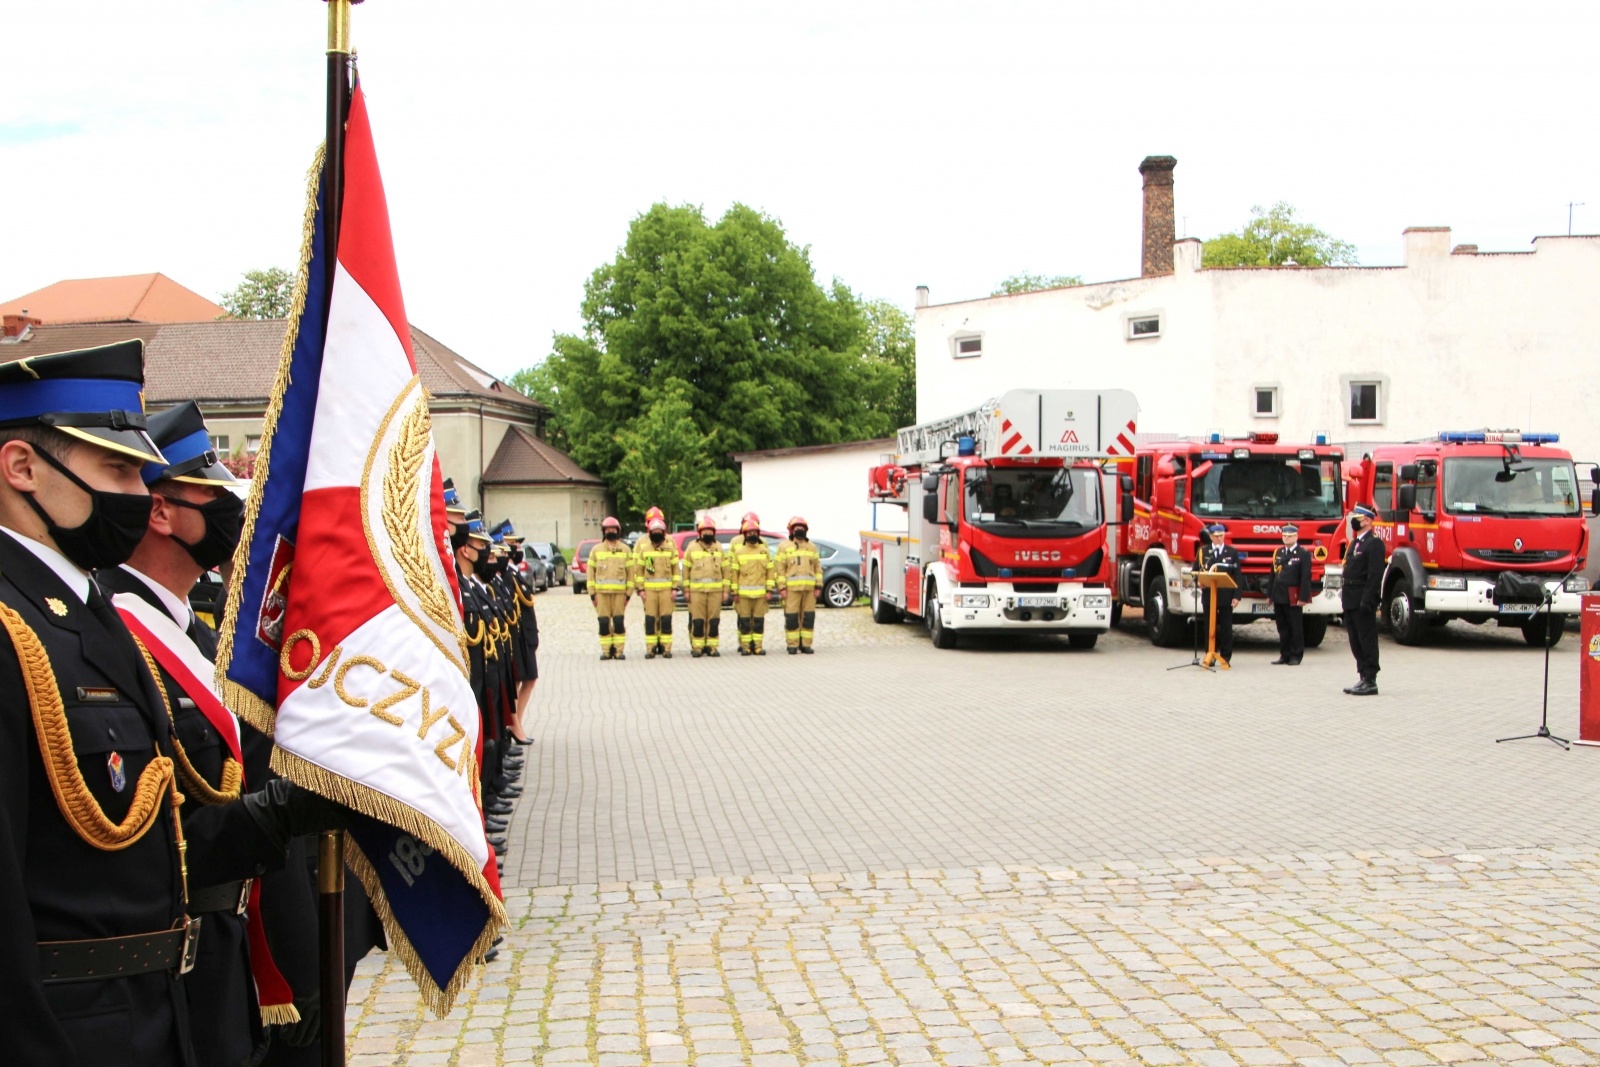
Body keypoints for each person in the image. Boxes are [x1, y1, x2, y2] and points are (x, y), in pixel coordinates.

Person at [0, 342, 346, 1064]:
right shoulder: (14, 627)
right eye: (116, 468)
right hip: (76, 1030)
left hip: (167, 1012)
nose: (136, 491)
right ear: (21, 467)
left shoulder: (85, 611)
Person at [1341, 503, 1386, 695]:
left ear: (1367, 520)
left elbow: (1374, 575)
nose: (1354, 520)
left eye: (1357, 517)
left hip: (1362, 598)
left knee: (1366, 638)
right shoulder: (1355, 542)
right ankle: (1362, 675)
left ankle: (1370, 679)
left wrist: (1367, 600)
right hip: (1350, 597)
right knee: (1355, 639)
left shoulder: (1374, 543)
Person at [633, 508, 680, 658]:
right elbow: (637, 566)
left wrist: (674, 588)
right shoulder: (642, 543)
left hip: (666, 589)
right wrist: (639, 589)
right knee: (651, 618)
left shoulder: (670, 542)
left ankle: (664, 646)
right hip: (649, 589)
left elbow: (675, 567)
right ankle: (652, 647)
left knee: (665, 618)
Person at [683, 516, 730, 657]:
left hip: (716, 591)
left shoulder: (719, 548)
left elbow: (726, 571)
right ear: (700, 532)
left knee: (713, 620)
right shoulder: (692, 548)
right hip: (697, 592)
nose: (707, 534)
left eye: (710, 531)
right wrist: (686, 590)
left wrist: (726, 591)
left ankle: (712, 647)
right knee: (698, 620)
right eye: (705, 531)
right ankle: (697, 647)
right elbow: (685, 571)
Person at [775, 515, 822, 654]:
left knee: (808, 617)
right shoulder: (784, 547)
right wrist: (782, 588)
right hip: (791, 590)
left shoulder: (811, 547)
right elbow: (780, 569)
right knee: (791, 617)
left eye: (802, 528)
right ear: (791, 530)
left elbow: (817, 568)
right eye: (797, 528)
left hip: (809, 590)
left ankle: (806, 644)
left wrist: (818, 586)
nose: (800, 530)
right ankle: (792, 645)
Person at [729, 512, 775, 655]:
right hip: (743, 594)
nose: (751, 534)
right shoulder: (738, 549)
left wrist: (769, 590)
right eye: (749, 532)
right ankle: (745, 646)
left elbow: (769, 571)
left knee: (758, 621)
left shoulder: (764, 550)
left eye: (754, 532)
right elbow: (734, 572)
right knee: (744, 621)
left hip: (760, 594)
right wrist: (734, 592)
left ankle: (758, 646)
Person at [1268, 523, 1313, 666]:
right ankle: (1284, 654)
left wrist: (1303, 597)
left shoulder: (1303, 554)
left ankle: (1296, 655)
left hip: (1293, 596)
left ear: (1296, 536)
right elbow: (1272, 575)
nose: (1286, 538)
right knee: (1282, 627)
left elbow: (1305, 577)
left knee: (1295, 627)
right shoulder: (1279, 552)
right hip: (1279, 595)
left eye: (1289, 536)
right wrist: (1270, 594)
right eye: (1284, 536)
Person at [1196, 523, 1242, 665]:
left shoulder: (1231, 552)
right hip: (1209, 594)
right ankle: (1210, 654)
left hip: (1225, 595)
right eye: (1216, 536)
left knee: (1226, 627)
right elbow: (1196, 571)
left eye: (1221, 535)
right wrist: (1199, 581)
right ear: (1210, 537)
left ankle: (1226, 657)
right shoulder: (1203, 552)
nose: (1219, 538)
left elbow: (1238, 576)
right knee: (1209, 626)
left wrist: (1236, 596)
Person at [589, 516, 633, 660]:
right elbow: (590, 574)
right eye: (608, 529)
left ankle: (619, 651)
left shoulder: (625, 550)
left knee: (619, 622)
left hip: (620, 595)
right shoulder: (596, 550)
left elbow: (630, 574)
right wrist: (592, 594)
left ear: (618, 531)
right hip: (601, 595)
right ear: (603, 531)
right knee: (603, 623)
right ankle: (606, 651)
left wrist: (628, 595)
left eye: (613, 529)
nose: (611, 532)